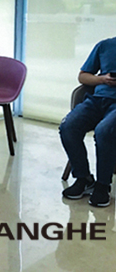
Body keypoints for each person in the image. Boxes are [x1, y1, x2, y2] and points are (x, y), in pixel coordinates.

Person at [60, 36, 116, 207]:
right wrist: (103, 79)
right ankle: (84, 178)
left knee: (104, 131)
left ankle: (103, 185)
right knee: (68, 127)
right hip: (96, 101)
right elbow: (83, 76)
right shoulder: (105, 46)